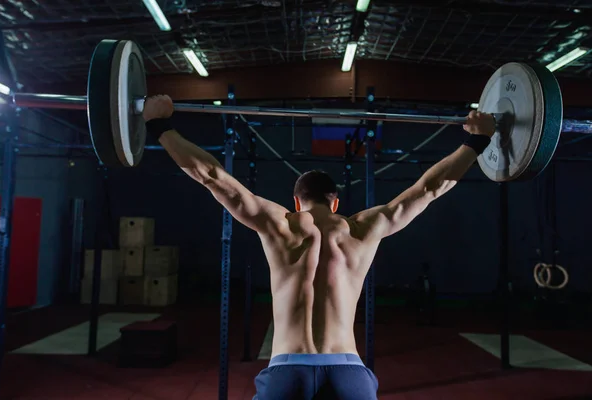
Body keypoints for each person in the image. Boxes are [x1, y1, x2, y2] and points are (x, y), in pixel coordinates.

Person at [143, 95, 496, 400]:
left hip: (287, 373)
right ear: (336, 203)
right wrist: (477, 142)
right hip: (348, 374)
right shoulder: (364, 229)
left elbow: (213, 177)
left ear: (297, 202)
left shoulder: (281, 224)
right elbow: (429, 189)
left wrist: (160, 126)